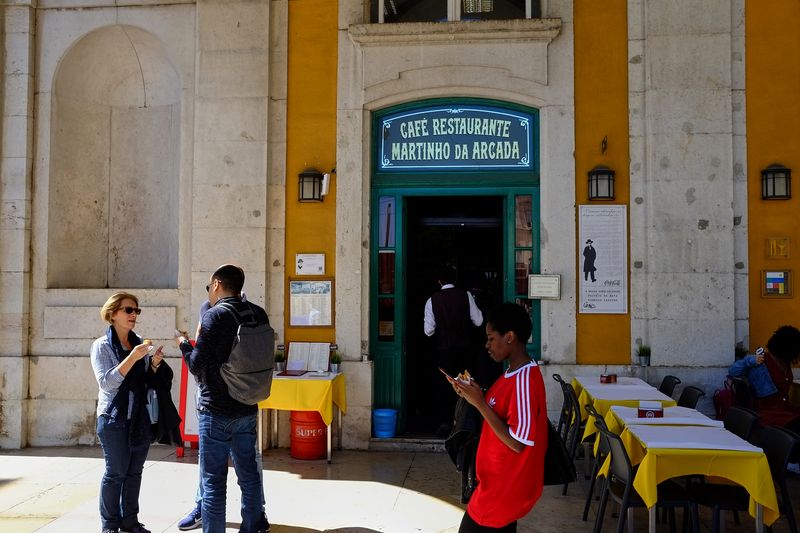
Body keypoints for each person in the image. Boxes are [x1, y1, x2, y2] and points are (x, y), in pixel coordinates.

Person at [177, 265, 270, 533]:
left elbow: (196, 365)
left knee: (213, 481)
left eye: (209, 287)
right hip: (248, 406)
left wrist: (184, 343)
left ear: (216, 284)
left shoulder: (215, 316)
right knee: (249, 475)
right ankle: (252, 527)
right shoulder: (258, 313)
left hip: (216, 410)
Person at [448, 302, 548, 532]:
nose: (487, 345)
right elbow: (499, 409)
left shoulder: (523, 379)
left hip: (502, 491)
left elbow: (518, 441)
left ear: (510, 337)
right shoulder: (511, 373)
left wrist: (480, 402)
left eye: (491, 338)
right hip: (496, 485)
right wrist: (473, 394)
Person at [91, 292, 167, 533]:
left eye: (137, 310)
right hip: (113, 419)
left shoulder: (139, 342)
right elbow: (106, 383)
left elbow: (144, 381)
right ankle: (110, 524)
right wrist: (133, 357)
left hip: (138, 418)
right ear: (113, 314)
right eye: (128, 310)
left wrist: (153, 364)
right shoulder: (101, 346)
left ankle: (130, 521)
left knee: (134, 473)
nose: (134, 315)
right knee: (116, 473)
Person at [424, 265, 484, 436]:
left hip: (444, 351)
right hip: (465, 350)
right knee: (466, 385)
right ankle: (465, 424)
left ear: (439, 281)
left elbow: (428, 331)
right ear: (455, 279)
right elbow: (479, 321)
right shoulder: (466, 296)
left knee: (444, 387)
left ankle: (445, 423)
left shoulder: (432, 300)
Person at [728, 325, 800, 433]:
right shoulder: (762, 360)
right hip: (766, 414)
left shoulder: (786, 361)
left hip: (784, 410)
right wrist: (749, 360)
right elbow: (733, 370)